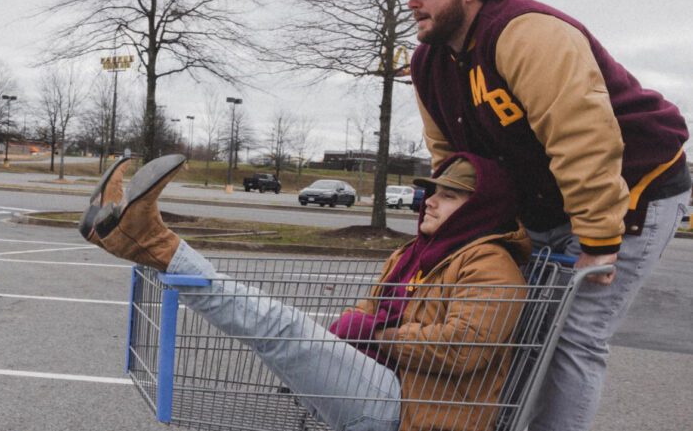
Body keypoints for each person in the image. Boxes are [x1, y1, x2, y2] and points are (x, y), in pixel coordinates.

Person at [382, 0, 691, 431]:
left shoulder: (526, 33)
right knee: (517, 327)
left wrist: (598, 240)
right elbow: (455, 162)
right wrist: (460, 233)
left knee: (573, 334)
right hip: (547, 197)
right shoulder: (428, 63)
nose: (411, 1)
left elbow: (583, 138)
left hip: (632, 185)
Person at [81, 153, 531, 431]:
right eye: (431, 191)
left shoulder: (491, 264)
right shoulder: (418, 253)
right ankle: (142, 241)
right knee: (278, 333)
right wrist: (358, 330)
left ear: (481, 209)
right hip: (386, 386)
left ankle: (153, 243)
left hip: (413, 411)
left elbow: (464, 348)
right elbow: (370, 309)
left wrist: (377, 334)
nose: (429, 200)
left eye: (448, 197)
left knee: (280, 328)